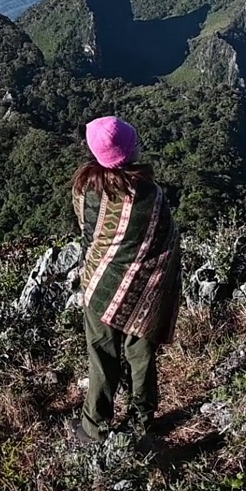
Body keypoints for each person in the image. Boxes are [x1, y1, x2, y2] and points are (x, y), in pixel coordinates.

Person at [68, 116, 183, 445]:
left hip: (99, 283)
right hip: (145, 289)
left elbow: (89, 236)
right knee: (141, 355)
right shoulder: (150, 194)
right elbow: (164, 239)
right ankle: (142, 420)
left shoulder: (84, 189)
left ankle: (93, 428)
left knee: (101, 354)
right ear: (129, 152)